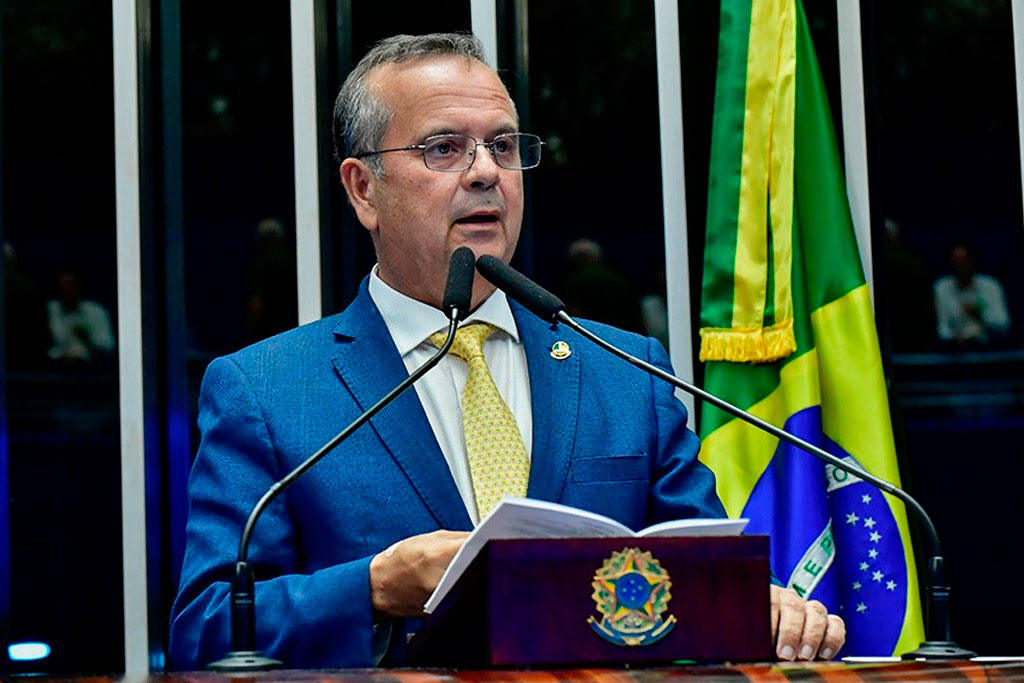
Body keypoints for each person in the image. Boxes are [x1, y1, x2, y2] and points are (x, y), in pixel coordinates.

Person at [169, 33, 844, 669]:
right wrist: (373, 586)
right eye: (443, 148)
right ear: (363, 188)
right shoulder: (267, 389)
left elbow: (704, 576)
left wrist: (770, 604)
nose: (486, 171)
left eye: (502, 145)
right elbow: (204, 629)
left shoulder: (621, 370)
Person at [934, 243, 1011, 349]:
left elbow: (1002, 324)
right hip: (951, 351)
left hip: (986, 349)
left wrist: (980, 316)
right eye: (956, 262)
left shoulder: (990, 286)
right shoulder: (941, 288)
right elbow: (941, 327)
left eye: (964, 262)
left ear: (973, 262)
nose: (960, 267)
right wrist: (954, 339)